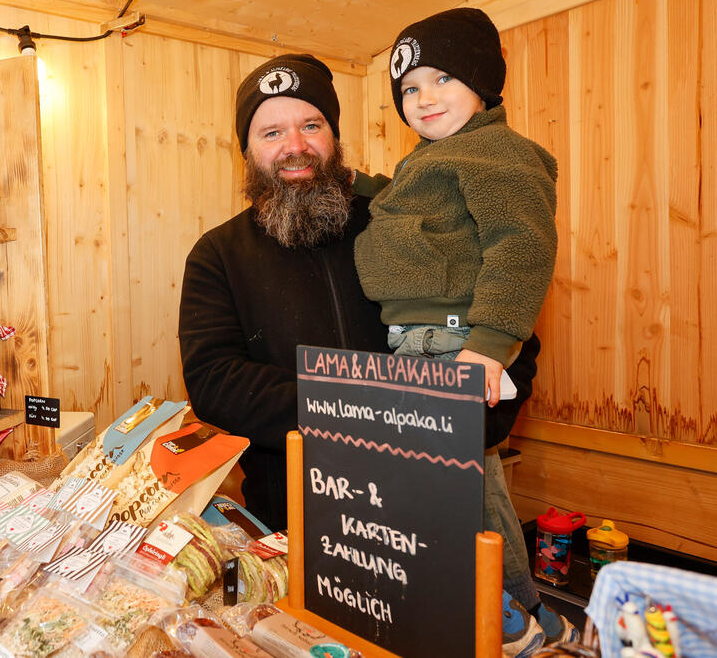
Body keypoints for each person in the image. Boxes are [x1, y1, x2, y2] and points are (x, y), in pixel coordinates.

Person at [177, 52, 540, 545]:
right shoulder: (217, 254)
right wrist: (371, 410)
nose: (296, 147)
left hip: (431, 505)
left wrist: (471, 425)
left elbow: (505, 327)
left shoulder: (404, 220)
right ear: (247, 151)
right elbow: (215, 383)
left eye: (312, 124)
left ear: (334, 137)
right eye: (272, 133)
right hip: (293, 521)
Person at [353, 7, 574, 655]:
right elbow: (402, 204)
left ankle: (512, 619)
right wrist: (355, 183)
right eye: (409, 89)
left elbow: (520, 247)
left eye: (442, 79)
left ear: (483, 84)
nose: (424, 99)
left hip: (453, 345)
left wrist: (488, 347)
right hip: (413, 347)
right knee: (463, 483)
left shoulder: (499, 154)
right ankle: (531, 607)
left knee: (457, 489)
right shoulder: (434, 160)